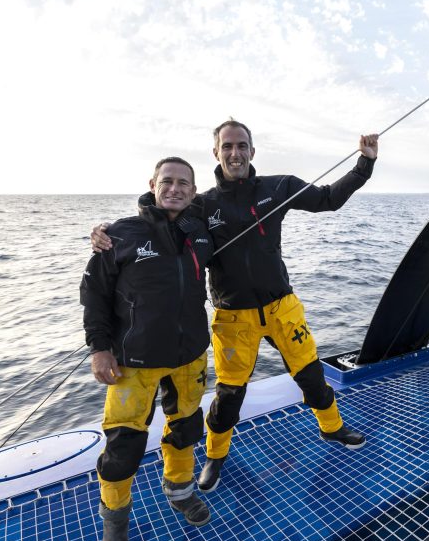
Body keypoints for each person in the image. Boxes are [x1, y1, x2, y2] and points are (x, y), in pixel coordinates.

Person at [93, 120, 378, 494]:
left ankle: (332, 427)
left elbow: (328, 199)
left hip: (281, 307)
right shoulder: (202, 204)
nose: (235, 153)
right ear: (216, 152)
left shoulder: (279, 187)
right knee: (229, 395)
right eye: (227, 146)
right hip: (233, 316)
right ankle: (215, 455)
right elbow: (161, 220)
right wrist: (110, 232)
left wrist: (364, 163)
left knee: (311, 374)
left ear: (252, 151)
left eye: (241, 145)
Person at [80, 157, 215, 541]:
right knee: (123, 445)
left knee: (186, 428)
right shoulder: (120, 234)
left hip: (190, 354)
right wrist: (99, 348)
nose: (175, 188)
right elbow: (94, 292)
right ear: (153, 185)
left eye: (183, 183)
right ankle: (115, 520)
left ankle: (180, 491)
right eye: (167, 181)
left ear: (193, 191)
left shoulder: (200, 231)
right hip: (134, 361)